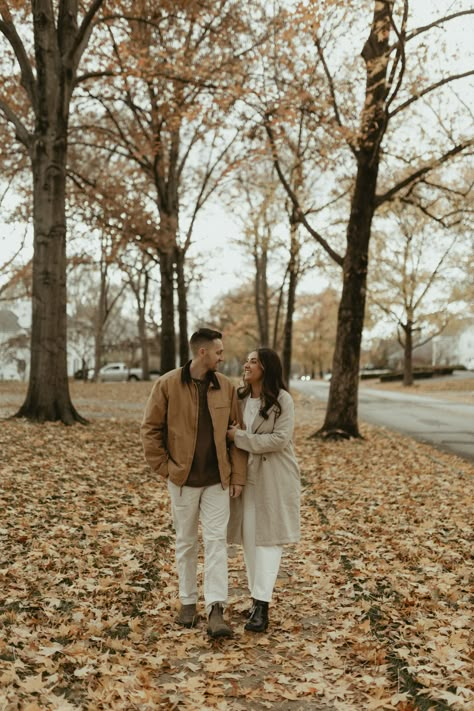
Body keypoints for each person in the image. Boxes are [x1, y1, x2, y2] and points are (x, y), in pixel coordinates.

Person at [141, 328, 247, 638]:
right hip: (183, 481)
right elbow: (150, 430)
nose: (222, 357)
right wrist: (166, 469)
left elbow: (235, 435)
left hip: (217, 482)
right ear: (202, 352)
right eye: (218, 352)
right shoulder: (167, 385)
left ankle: (216, 609)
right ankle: (187, 604)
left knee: (216, 544)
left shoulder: (226, 387)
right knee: (185, 542)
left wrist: (237, 476)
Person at [227, 348, 300, 633]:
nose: (246, 364)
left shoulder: (283, 400)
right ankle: (256, 597)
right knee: (249, 539)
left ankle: (261, 605)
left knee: (268, 541)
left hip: (274, 476)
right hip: (245, 476)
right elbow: (229, 431)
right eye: (246, 359)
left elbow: (279, 439)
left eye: (253, 361)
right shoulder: (239, 398)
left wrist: (240, 437)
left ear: (266, 368)